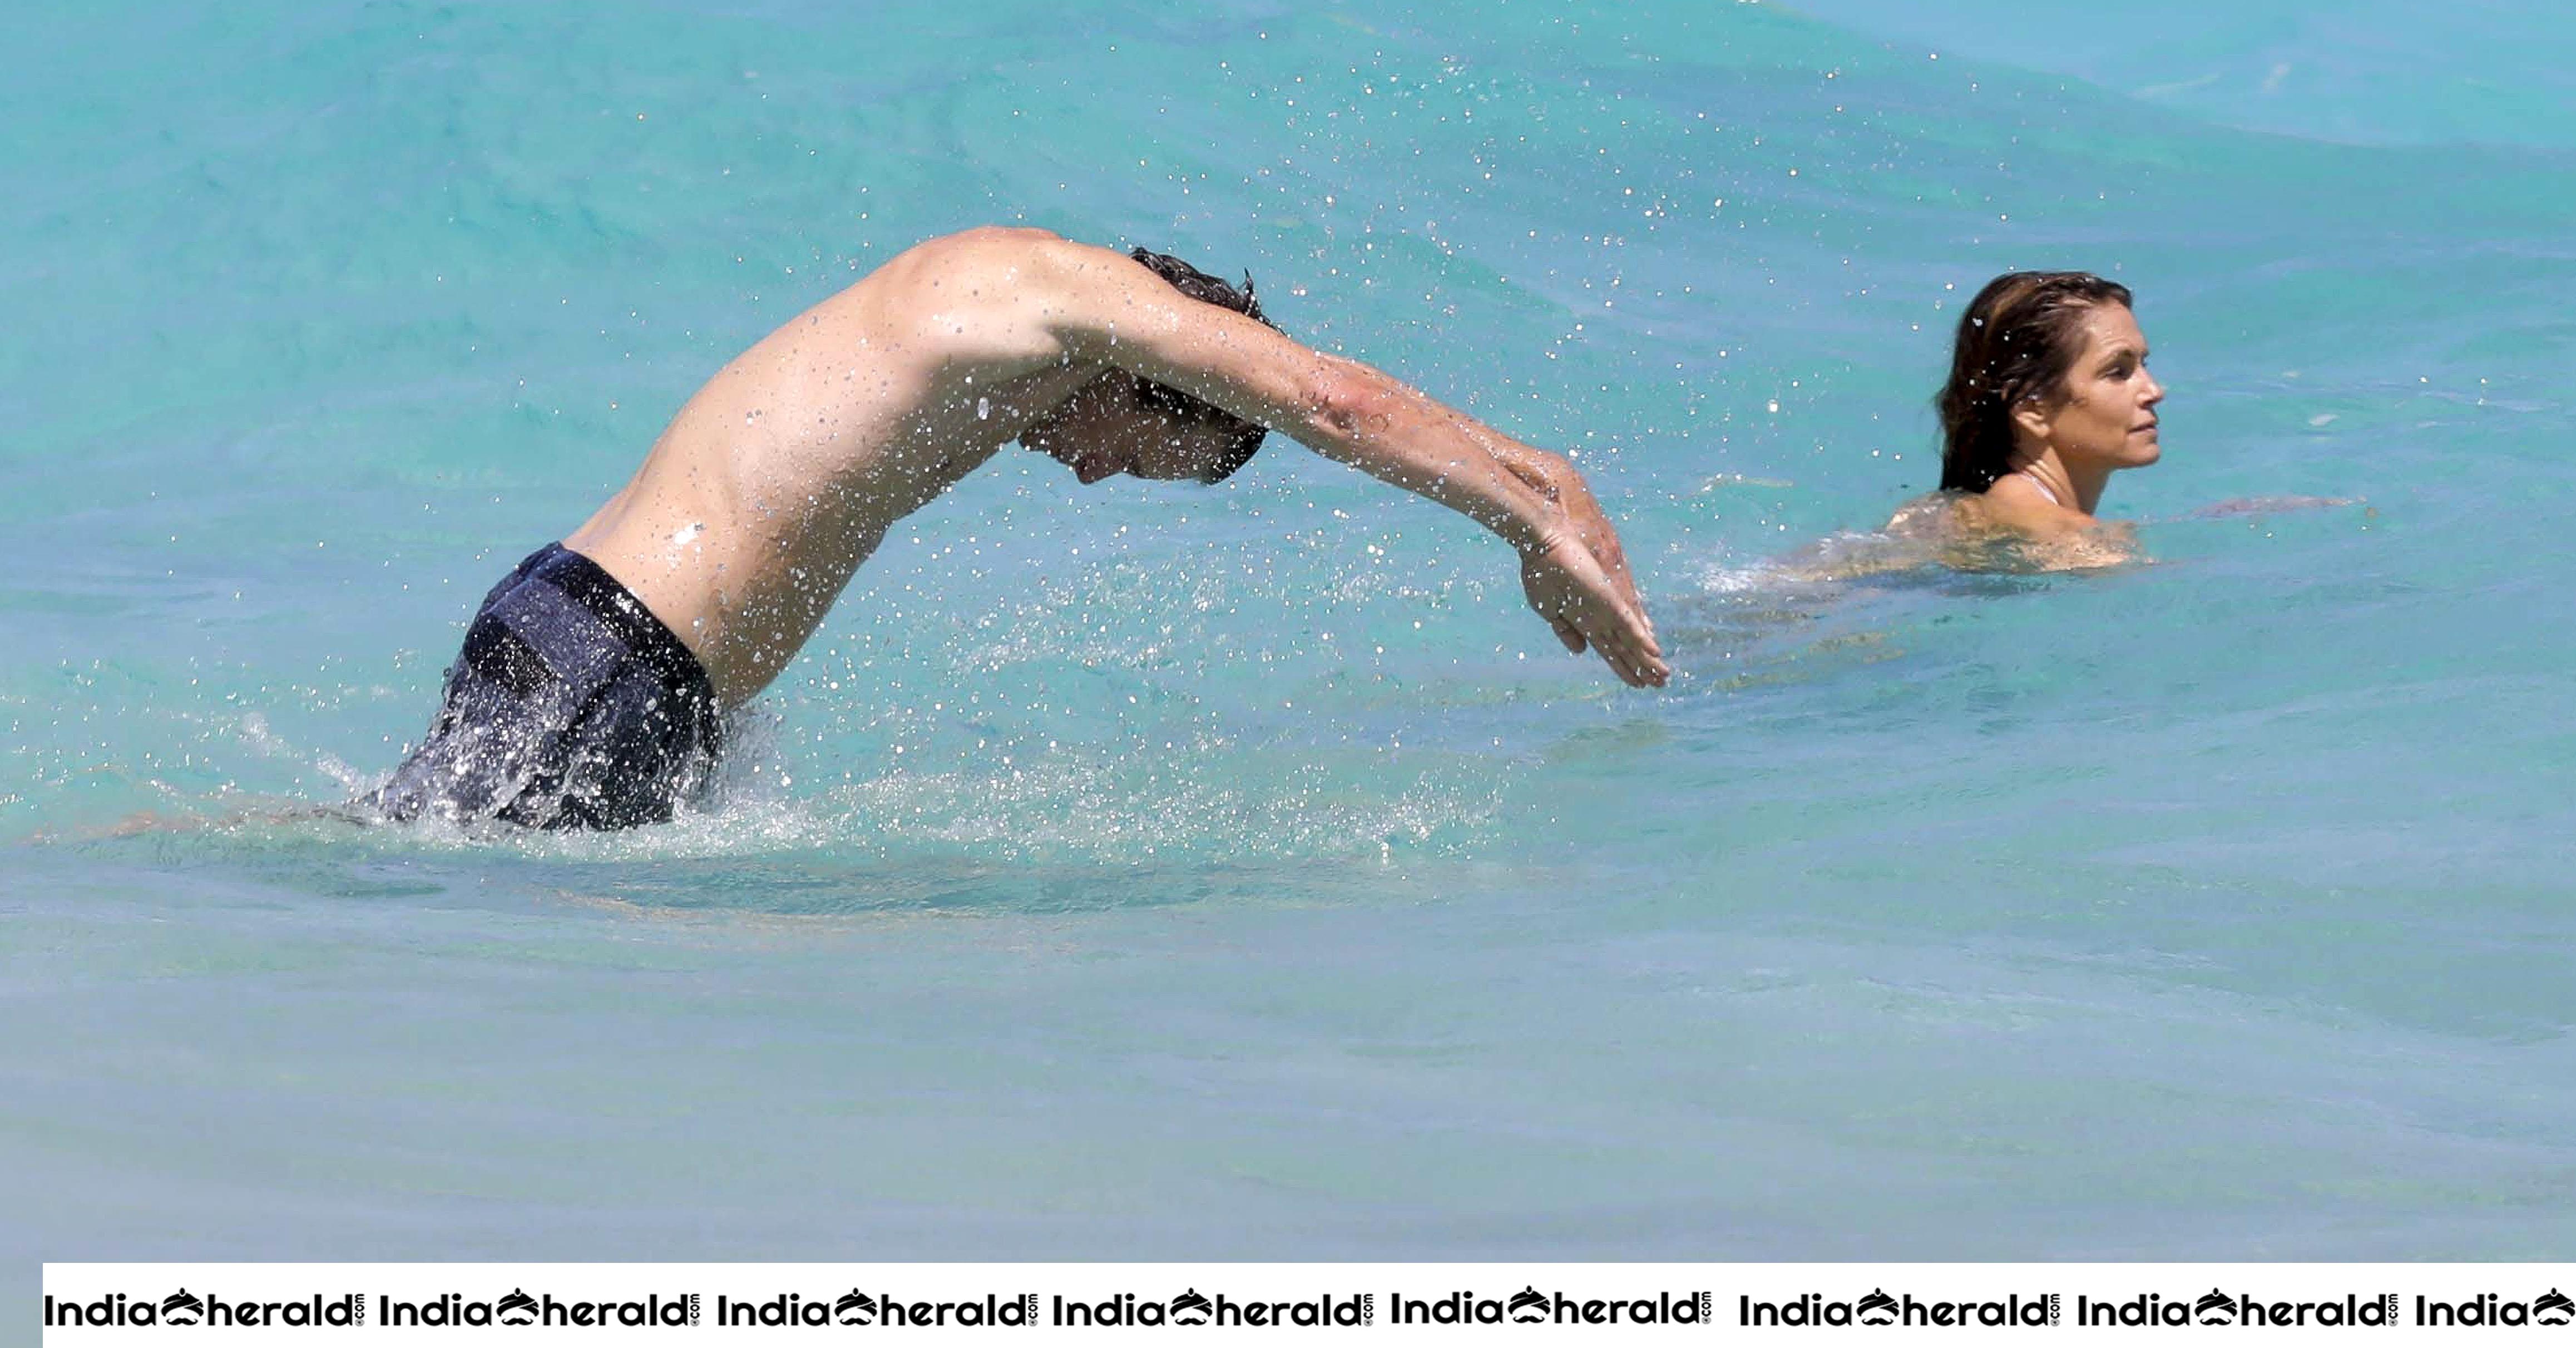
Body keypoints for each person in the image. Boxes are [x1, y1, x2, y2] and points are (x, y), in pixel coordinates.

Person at [373, 226, 1668, 830]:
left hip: (592, 633)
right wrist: (1524, 507)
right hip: (618, 666)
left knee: (411, 874)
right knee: (394, 895)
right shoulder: (1065, 300)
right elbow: (1328, 395)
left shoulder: (999, 302)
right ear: (1152, 375)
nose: (1093, 474)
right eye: (1134, 454)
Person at [1927, 270, 2163, 545]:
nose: (2154, 391)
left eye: (2142, 365)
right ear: (2032, 409)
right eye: (2118, 372)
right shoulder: (2081, 543)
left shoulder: (1987, 510)